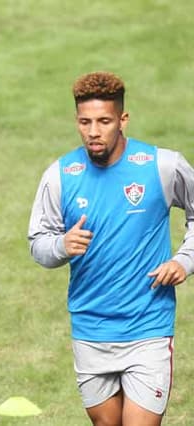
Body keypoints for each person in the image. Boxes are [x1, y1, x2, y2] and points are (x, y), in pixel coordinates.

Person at [28, 71, 194, 425]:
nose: (93, 132)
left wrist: (185, 259)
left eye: (104, 121)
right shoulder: (60, 175)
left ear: (123, 119)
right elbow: (38, 244)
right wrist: (62, 245)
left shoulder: (161, 166)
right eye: (85, 122)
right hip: (91, 329)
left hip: (147, 327)